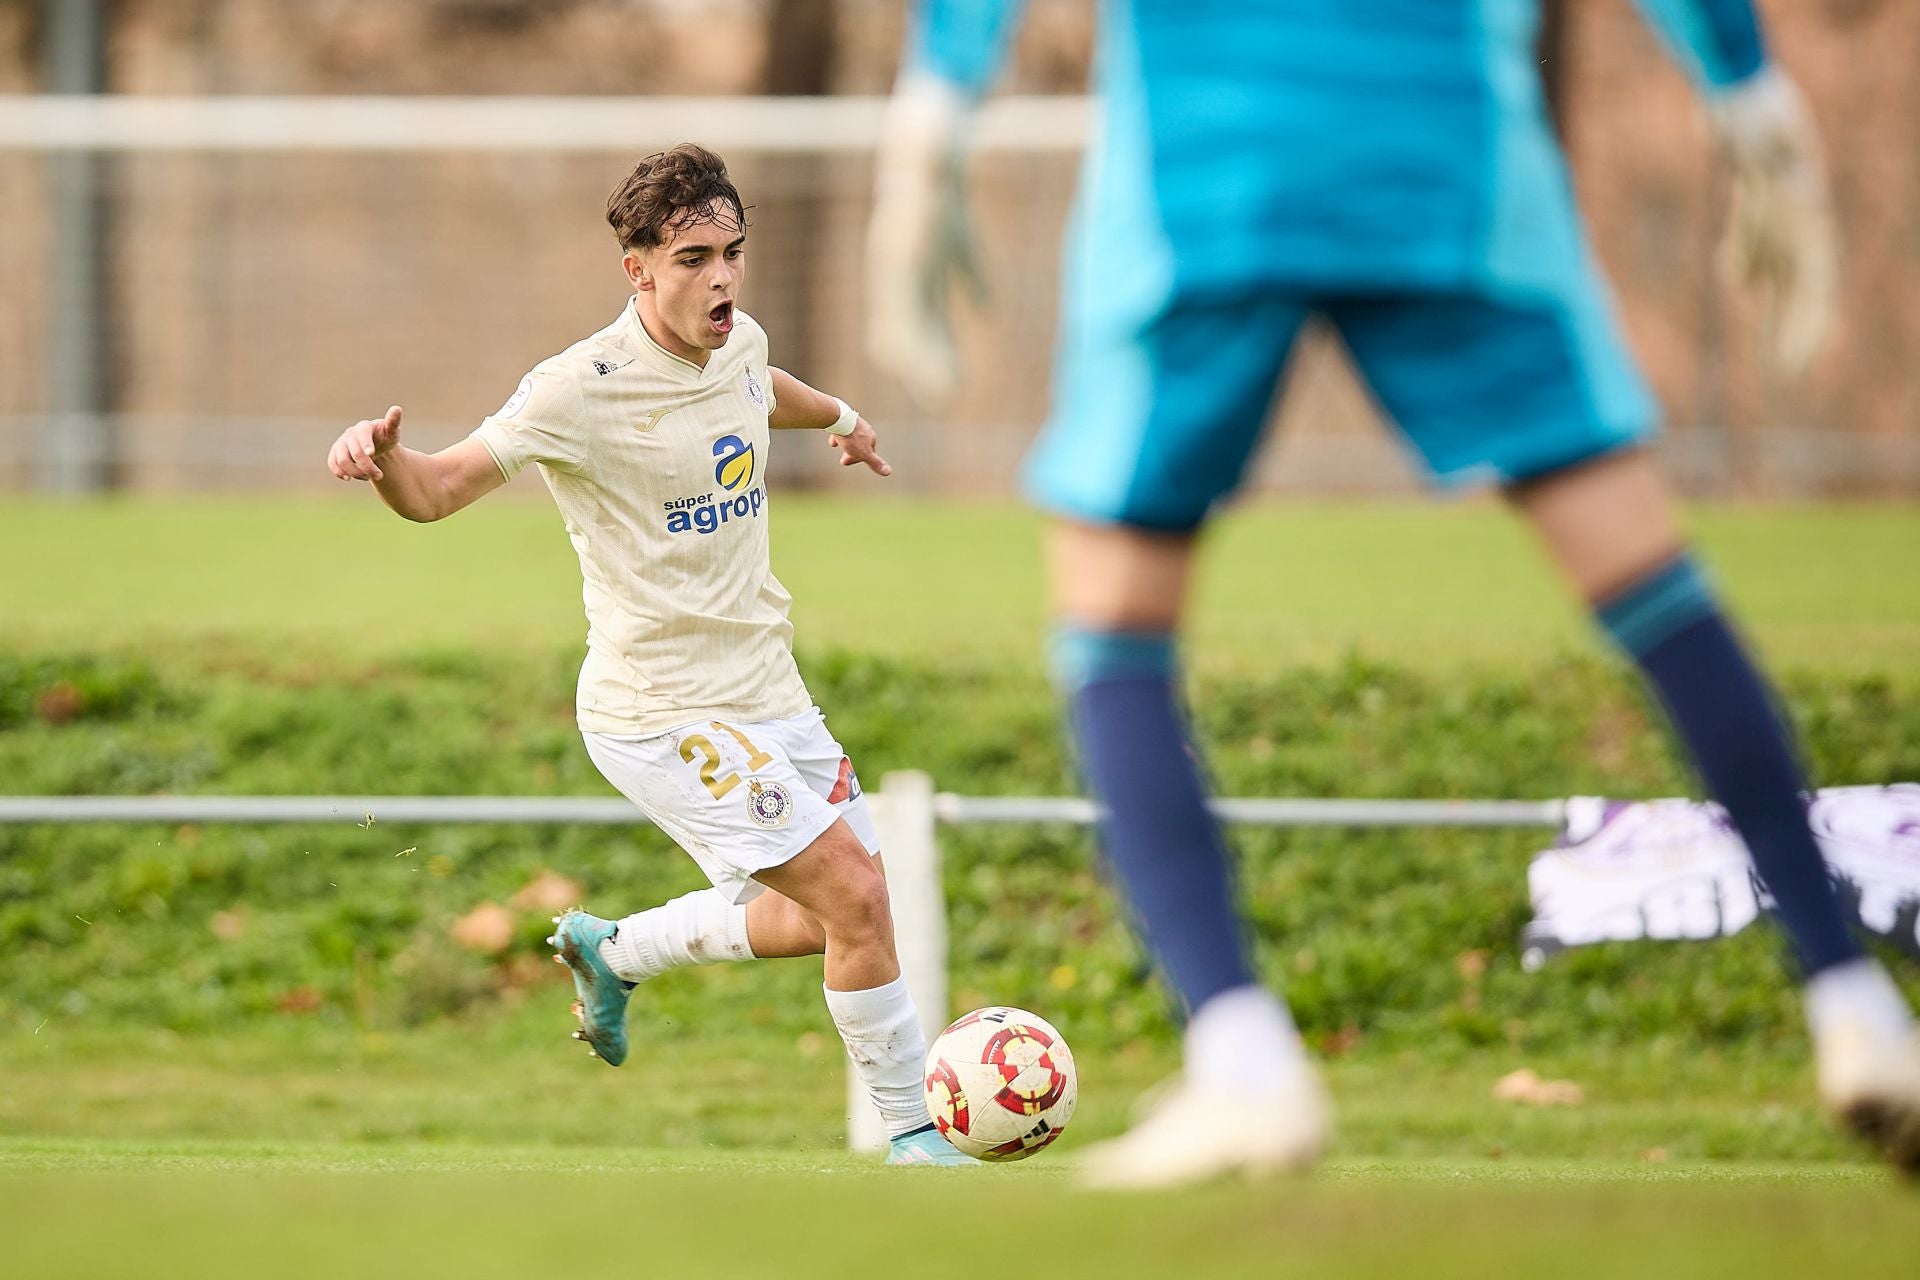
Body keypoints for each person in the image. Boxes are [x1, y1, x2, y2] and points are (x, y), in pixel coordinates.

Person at [866, 1, 1919, 1186]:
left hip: (1213, 162)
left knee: (1114, 618)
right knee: (1644, 570)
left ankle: (1241, 1052)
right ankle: (1851, 997)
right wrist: (1748, 92)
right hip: (1445, 144)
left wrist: (938, 99)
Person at [327, 143, 968, 1166]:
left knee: (828, 921)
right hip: (660, 709)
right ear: (637, 268)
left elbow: (765, 386)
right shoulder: (576, 388)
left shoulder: (739, 341)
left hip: (769, 692)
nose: (720, 278)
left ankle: (614, 949)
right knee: (854, 891)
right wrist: (385, 461)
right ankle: (913, 1133)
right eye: (692, 258)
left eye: (733, 252)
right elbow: (441, 488)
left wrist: (844, 418)